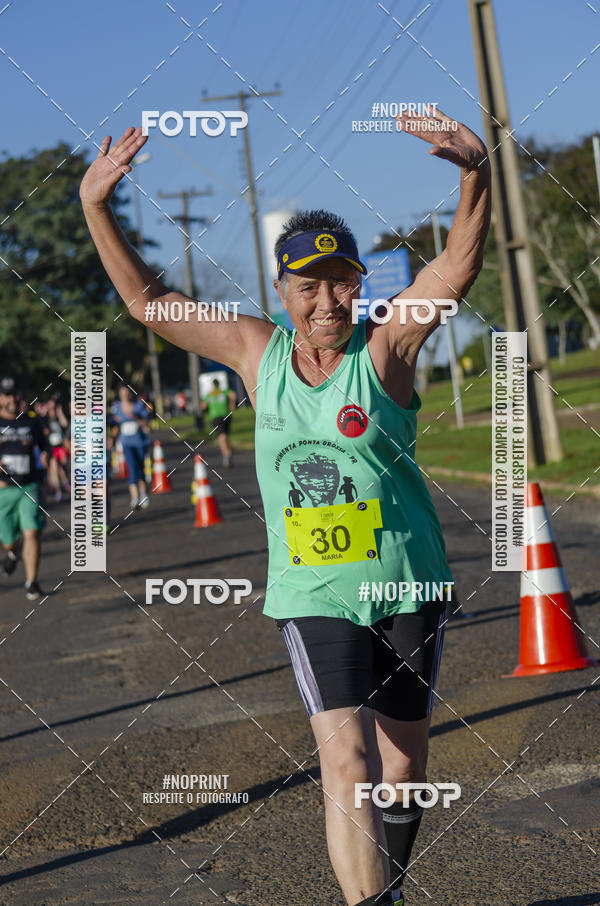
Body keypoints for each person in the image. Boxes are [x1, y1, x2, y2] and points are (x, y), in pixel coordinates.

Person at [80, 109, 491, 905]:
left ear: (359, 282)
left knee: (405, 763)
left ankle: (391, 887)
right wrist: (98, 207)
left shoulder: (385, 347)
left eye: (342, 281)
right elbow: (151, 304)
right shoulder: (254, 351)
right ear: (283, 291)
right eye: (310, 286)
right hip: (313, 593)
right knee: (347, 762)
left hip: (407, 583)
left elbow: (455, 270)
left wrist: (476, 174)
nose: (328, 301)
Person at [0, 377, 49, 600]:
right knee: (9, 538)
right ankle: (11, 552)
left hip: (29, 485)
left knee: (32, 532)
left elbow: (45, 448)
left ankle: (31, 582)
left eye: (14, 394)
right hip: (3, 490)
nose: (12, 399)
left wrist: (48, 463)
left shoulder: (31, 421)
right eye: (7, 395)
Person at [111, 385, 151, 510]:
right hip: (126, 443)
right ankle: (134, 498)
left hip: (139, 442)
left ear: (130, 394)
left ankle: (143, 494)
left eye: (127, 392)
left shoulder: (138, 406)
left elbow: (146, 421)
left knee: (140, 468)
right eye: (122, 392)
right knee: (132, 468)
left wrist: (136, 418)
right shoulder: (117, 408)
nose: (125, 395)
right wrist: (112, 437)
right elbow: (114, 424)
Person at [201, 378, 237, 468]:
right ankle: (228, 454)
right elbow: (233, 395)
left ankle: (226, 455)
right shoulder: (224, 392)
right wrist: (232, 404)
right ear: (218, 384)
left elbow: (203, 406)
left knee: (222, 437)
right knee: (225, 436)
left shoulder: (210, 395)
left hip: (216, 416)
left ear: (213, 385)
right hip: (226, 415)